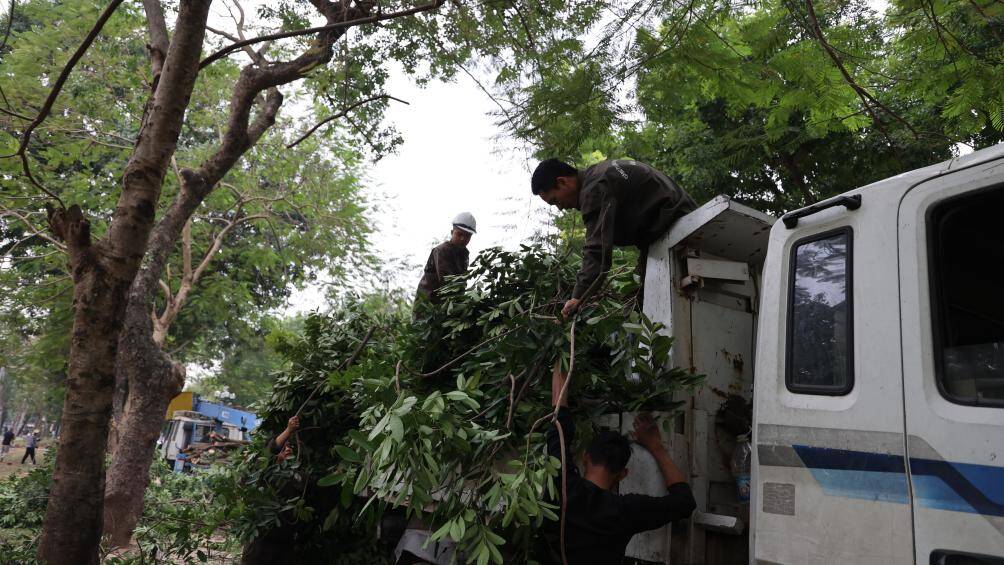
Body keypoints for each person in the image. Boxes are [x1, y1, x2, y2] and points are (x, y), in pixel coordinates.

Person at [540, 365, 696, 564]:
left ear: (586, 457)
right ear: (623, 473)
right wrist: (657, 448)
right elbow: (685, 502)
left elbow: (559, 424)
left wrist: (561, 357)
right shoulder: (625, 511)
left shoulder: (564, 486)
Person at [531, 159, 696, 318]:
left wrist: (578, 296)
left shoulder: (594, 188)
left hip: (676, 227)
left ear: (562, 182)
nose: (560, 207)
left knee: (652, 308)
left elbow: (597, 250)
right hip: (677, 219)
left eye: (555, 200)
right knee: (642, 301)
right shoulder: (599, 173)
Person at [415, 212, 477, 306]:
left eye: (467, 236)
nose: (462, 239)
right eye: (459, 234)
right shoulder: (442, 250)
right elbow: (447, 283)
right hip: (428, 305)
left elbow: (461, 283)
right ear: (452, 233)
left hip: (447, 304)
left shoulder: (464, 254)